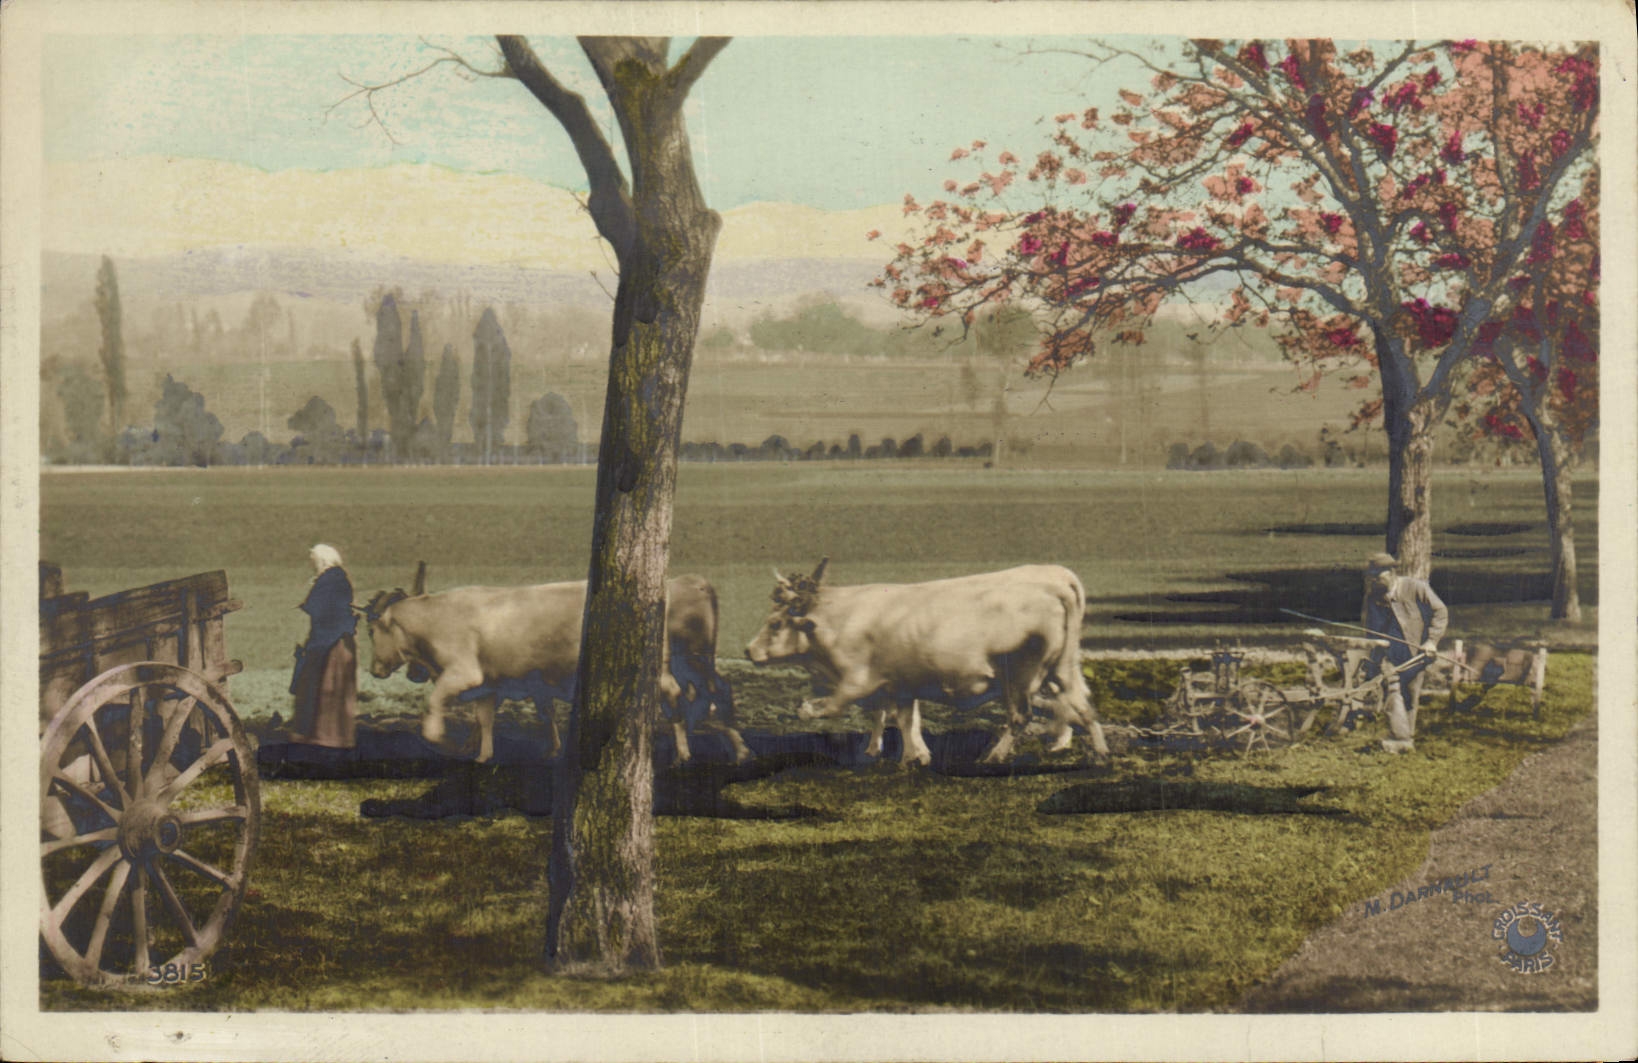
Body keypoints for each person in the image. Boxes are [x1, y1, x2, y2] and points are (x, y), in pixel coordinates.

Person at [1361, 552, 1448, 754]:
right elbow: (1370, 627)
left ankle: (1405, 738)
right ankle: (1401, 737)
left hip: (1415, 651)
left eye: (1379, 575)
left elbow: (1440, 611)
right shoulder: (1373, 596)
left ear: (1391, 572)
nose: (1375, 580)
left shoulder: (1415, 587)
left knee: (1409, 693)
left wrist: (1431, 642)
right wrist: (1373, 655)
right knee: (1393, 689)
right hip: (1388, 652)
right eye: (1372, 576)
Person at [289, 543, 358, 748]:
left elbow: (320, 610)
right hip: (332, 640)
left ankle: (327, 738)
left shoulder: (331, 580)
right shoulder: (336, 579)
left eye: (315, 563)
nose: (313, 567)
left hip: (331, 644)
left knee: (328, 690)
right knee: (327, 690)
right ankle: (326, 737)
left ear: (323, 561)